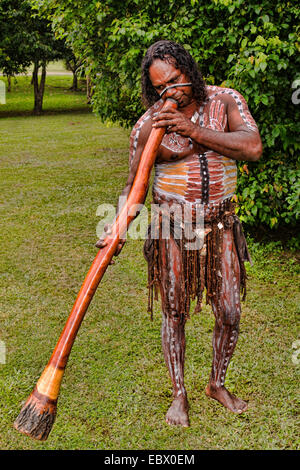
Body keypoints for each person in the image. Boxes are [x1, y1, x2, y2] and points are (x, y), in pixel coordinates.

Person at [96, 40, 263, 427]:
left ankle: (216, 384)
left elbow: (252, 147)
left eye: (175, 80)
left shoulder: (225, 103)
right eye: (160, 88)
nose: (170, 92)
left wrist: (192, 130)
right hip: (173, 229)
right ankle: (179, 395)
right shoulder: (148, 125)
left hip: (221, 225)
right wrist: (119, 225)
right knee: (174, 311)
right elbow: (132, 185)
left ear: (189, 69)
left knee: (230, 311)